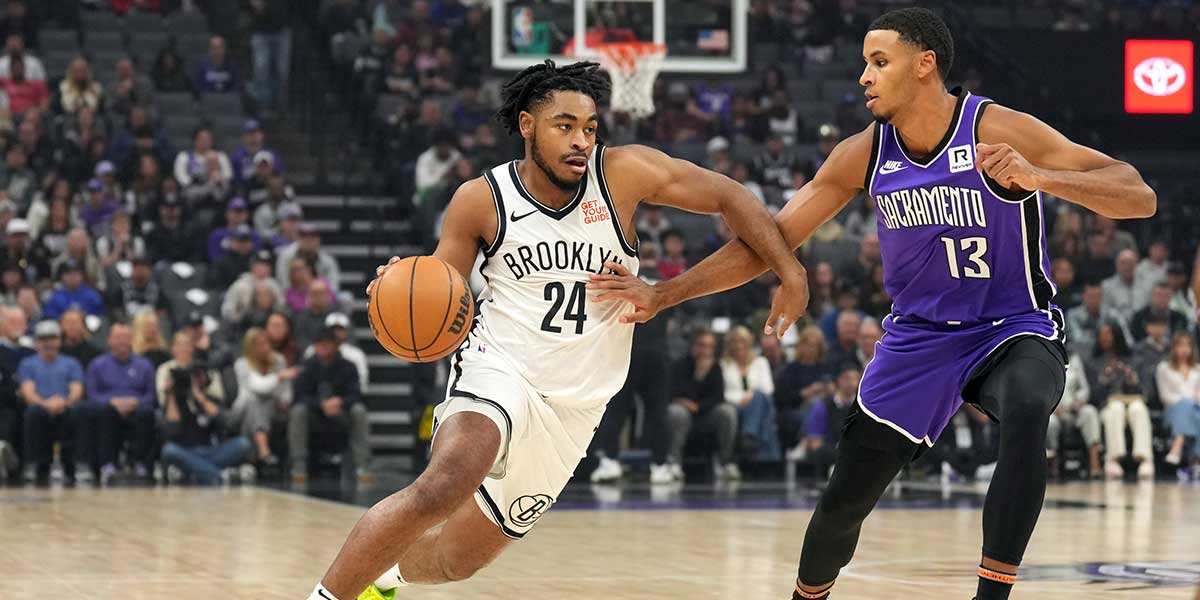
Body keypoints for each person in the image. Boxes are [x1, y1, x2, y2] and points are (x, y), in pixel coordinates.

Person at [588, 9, 1155, 600]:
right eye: (864, 63)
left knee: (1028, 404)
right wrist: (664, 293)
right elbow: (770, 239)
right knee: (842, 503)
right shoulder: (862, 153)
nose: (864, 76)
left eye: (879, 62)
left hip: (1009, 327)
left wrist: (1041, 177)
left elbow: (1137, 194)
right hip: (918, 339)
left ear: (924, 65)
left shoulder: (997, 129)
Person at [306, 60, 805, 600]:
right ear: (527, 125)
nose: (581, 140)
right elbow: (442, 290)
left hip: (578, 408)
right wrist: (406, 285)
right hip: (500, 371)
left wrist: (763, 276)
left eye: (590, 127)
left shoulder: (624, 174)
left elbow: (731, 195)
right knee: (446, 483)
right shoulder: (481, 199)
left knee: (456, 561)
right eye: (563, 125)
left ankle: (385, 575)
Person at [288, 327, 366, 484]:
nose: (323, 347)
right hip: (314, 416)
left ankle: (363, 465)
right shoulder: (307, 366)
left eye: (327, 344)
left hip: (341, 414)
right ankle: (298, 465)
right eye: (319, 344)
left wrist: (340, 402)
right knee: (298, 412)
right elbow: (299, 396)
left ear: (335, 345)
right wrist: (320, 404)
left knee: (359, 411)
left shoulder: (348, 366)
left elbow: (357, 394)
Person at [18, 320, 85, 486]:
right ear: (37, 342)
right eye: (43, 339)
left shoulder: (71, 363)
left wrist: (65, 402)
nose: (48, 343)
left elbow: (76, 389)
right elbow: (28, 392)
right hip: (40, 407)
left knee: (77, 412)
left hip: (65, 407)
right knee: (33, 413)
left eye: (52, 338)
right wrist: (46, 404)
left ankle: (72, 465)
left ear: (59, 340)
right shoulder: (28, 364)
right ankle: (38, 465)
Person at [231, 327, 298, 467]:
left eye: (267, 343)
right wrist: (278, 376)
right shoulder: (242, 364)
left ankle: (253, 459)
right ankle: (263, 449)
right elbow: (256, 386)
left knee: (260, 404)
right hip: (245, 408)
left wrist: (284, 400)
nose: (266, 347)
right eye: (260, 344)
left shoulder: (278, 360)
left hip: (275, 406)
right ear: (251, 347)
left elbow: (286, 390)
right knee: (254, 401)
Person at [1156, 333, 1200, 468]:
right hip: (1172, 412)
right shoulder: (1164, 368)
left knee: (1195, 413)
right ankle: (1196, 459)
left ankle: (1177, 446)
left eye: (1188, 345)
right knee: (1187, 406)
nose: (1184, 349)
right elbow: (1165, 396)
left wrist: (1192, 401)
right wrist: (1187, 400)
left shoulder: (1198, 369)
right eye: (1180, 345)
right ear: (1174, 348)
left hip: (1196, 410)